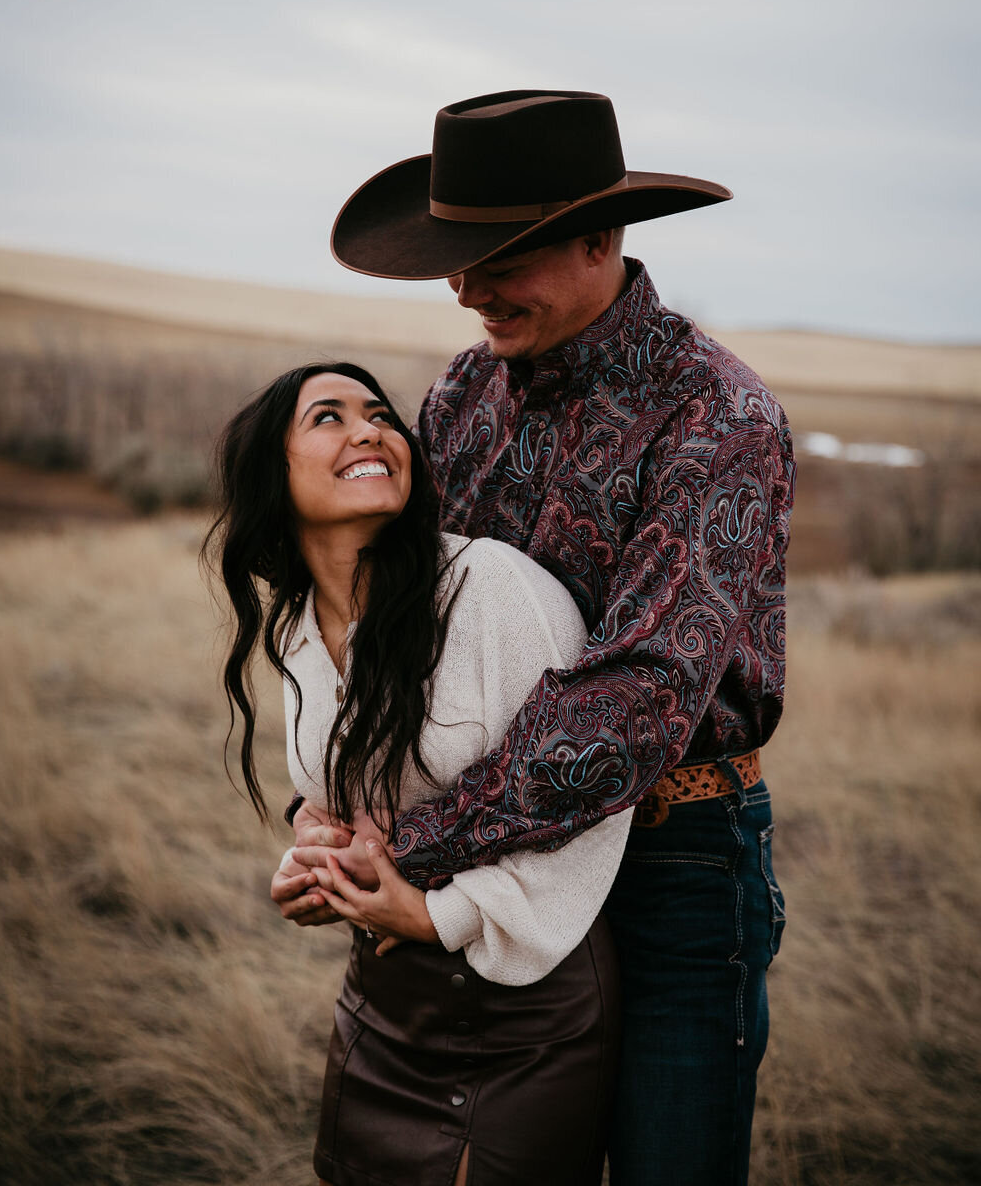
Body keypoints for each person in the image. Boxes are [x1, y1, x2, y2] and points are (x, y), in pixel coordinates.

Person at [286, 90, 795, 1186]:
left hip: (672, 863)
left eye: (499, 256)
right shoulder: (464, 395)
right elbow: (397, 622)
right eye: (456, 258)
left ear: (598, 238)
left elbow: (639, 697)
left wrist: (408, 849)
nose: (466, 288)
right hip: (501, 858)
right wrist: (327, 815)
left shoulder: (715, 415)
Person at [207, 360, 632, 1186]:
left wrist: (435, 915)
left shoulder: (489, 590)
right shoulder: (297, 627)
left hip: (523, 1005)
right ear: (274, 474)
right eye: (327, 417)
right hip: (382, 997)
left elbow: (590, 797)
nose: (369, 430)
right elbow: (349, 802)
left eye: (378, 414)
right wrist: (316, 863)